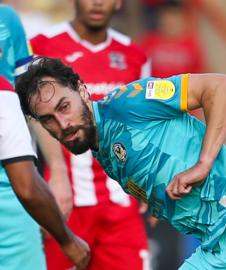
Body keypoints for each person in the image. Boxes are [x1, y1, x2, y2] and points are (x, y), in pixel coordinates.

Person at [16, 57, 226, 270]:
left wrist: (202, 163)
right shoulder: (103, 149)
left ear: (82, 90)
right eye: (47, 120)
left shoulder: (129, 103)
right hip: (216, 244)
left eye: (64, 107)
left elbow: (220, 87)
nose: (62, 124)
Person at [28, 1, 150, 269]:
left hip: (120, 205)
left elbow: (140, 124)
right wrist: (57, 173)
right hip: (64, 203)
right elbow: (35, 115)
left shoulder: (135, 55)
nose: (97, 2)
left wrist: (150, 182)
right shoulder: (41, 45)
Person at [0, 5, 89, 270]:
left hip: (10, 188)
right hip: (18, 183)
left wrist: (58, 172)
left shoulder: (8, 21)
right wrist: (69, 241)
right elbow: (27, 187)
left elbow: (35, 101)